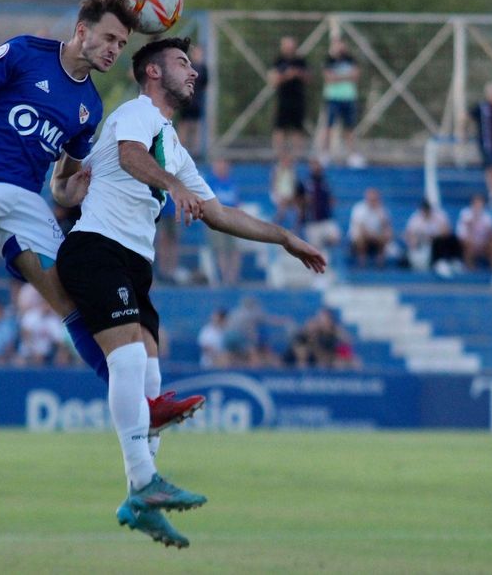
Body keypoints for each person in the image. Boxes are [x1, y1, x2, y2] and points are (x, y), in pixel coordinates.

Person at [54, 37, 326, 548]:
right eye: (182, 63)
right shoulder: (137, 115)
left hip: (134, 263)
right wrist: (172, 188)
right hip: (96, 248)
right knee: (130, 355)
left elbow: (218, 212)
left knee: (152, 376)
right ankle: (141, 484)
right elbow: (131, 158)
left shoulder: (174, 146)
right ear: (152, 73)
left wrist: (284, 238)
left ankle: (142, 499)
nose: (194, 72)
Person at [0, 0, 202, 434]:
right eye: (107, 38)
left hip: (26, 197)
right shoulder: (26, 53)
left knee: (71, 301)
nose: (113, 49)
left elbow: (60, 185)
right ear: (82, 31)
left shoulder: (90, 108)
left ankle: (142, 408)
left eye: (121, 44)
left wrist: (72, 187)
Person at [318, 39, 363, 167]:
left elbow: (356, 76)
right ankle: (325, 154)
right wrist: (346, 76)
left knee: (349, 128)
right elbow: (329, 78)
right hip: (333, 98)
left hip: (349, 98)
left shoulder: (351, 60)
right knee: (328, 126)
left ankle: (352, 155)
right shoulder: (328, 61)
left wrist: (338, 77)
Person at [269, 36, 309, 157]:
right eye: (287, 46)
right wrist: (287, 75)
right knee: (279, 127)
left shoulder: (300, 61)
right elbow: (273, 80)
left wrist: (299, 74)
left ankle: (298, 154)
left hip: (298, 99)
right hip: (283, 99)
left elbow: (309, 78)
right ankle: (278, 154)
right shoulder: (278, 61)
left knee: (298, 128)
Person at [205, 158, 242, 285]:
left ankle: (233, 277)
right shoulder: (210, 182)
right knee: (221, 249)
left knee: (234, 249)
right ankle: (226, 277)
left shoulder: (232, 182)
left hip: (232, 221)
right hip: (217, 221)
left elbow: (236, 201)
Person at [403, 198, 461, 276]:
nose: (426, 213)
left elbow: (447, 230)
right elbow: (408, 234)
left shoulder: (439, 216)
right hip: (425, 245)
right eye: (424, 211)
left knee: (451, 238)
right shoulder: (415, 219)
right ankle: (439, 263)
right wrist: (416, 239)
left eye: (428, 210)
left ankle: (454, 261)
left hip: (439, 243)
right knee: (436, 242)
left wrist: (435, 235)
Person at [296, 157, 340, 252]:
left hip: (326, 219)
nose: (316, 167)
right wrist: (304, 203)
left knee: (335, 237)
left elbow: (330, 197)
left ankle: (327, 251)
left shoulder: (325, 181)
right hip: (312, 221)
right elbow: (297, 200)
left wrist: (330, 201)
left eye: (317, 165)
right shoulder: (305, 182)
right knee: (316, 249)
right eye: (313, 165)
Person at [176, 43, 208, 158]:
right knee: (183, 124)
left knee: (196, 125)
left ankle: (196, 152)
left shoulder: (203, 68)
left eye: (199, 53)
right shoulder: (187, 67)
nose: (197, 55)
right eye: (196, 52)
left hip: (197, 101)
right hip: (186, 100)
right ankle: (179, 149)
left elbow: (205, 84)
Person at [348, 187, 393, 267]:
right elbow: (360, 228)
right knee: (360, 237)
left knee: (386, 235)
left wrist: (380, 215)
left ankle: (380, 264)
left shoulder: (382, 210)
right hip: (362, 237)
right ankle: (362, 263)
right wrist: (372, 235)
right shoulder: (359, 208)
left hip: (375, 237)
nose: (373, 201)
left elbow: (387, 227)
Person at [269, 151, 298, 225]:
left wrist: (292, 196)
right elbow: (273, 183)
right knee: (282, 210)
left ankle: (294, 227)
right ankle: (275, 224)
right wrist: (277, 195)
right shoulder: (277, 169)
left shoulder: (292, 171)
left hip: (289, 195)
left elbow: (293, 185)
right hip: (279, 195)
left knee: (295, 211)